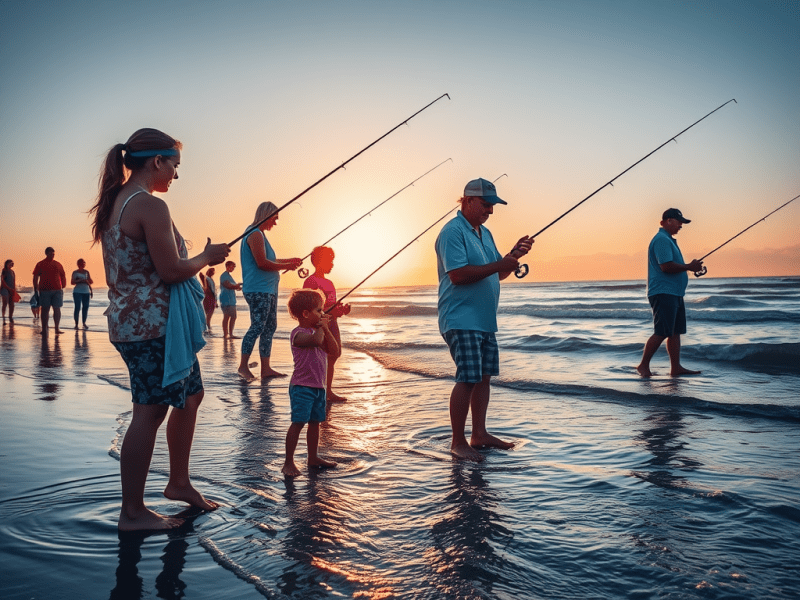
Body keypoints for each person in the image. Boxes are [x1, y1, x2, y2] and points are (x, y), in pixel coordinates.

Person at [89, 128, 230, 531]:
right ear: (157, 162)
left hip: (138, 322)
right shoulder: (149, 206)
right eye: (175, 166)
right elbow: (170, 271)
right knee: (149, 412)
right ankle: (132, 512)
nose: (175, 175)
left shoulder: (117, 199)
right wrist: (206, 256)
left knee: (190, 396)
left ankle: (179, 483)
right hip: (150, 326)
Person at [435, 178, 533, 462]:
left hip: (484, 319)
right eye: (485, 204)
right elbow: (458, 274)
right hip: (460, 316)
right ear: (466, 201)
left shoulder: (484, 232)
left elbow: (497, 273)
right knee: (467, 378)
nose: (489, 210)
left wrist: (513, 256)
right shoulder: (452, 232)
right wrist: (499, 264)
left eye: (492, 206)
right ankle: (457, 441)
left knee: (484, 377)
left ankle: (479, 433)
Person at [237, 201, 302, 381]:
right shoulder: (255, 234)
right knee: (258, 326)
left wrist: (289, 261)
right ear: (267, 215)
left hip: (268, 290)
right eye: (275, 218)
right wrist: (287, 265)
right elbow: (262, 263)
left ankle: (265, 368)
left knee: (269, 327)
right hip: (259, 290)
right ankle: (243, 366)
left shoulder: (259, 234)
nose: (275, 223)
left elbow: (268, 259)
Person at [636, 208, 704, 377]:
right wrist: (689, 266)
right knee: (663, 331)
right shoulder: (661, 240)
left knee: (675, 331)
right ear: (667, 221)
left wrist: (688, 267)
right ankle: (643, 366)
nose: (681, 225)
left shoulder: (669, 240)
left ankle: (676, 368)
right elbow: (665, 266)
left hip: (674, 292)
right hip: (663, 292)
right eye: (678, 221)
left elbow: (671, 266)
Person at [282, 289, 339, 477]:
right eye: (319, 310)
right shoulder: (298, 334)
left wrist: (326, 328)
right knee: (298, 422)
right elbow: (315, 341)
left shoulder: (320, 332)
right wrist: (322, 328)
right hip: (301, 387)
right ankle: (288, 462)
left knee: (315, 423)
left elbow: (334, 351)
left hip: (318, 387)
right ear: (305, 314)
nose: (323, 314)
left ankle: (312, 457)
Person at [303, 246, 351, 402]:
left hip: (333, 323)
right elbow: (312, 307)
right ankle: (319, 390)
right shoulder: (311, 281)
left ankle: (328, 391)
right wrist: (329, 313)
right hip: (320, 325)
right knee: (320, 357)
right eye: (329, 261)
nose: (332, 264)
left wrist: (341, 309)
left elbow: (332, 304)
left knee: (334, 354)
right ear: (318, 261)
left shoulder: (329, 282)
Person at [32, 247, 67, 335]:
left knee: (57, 308)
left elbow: (63, 275)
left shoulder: (58, 264)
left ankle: (57, 328)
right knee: (45, 309)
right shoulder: (40, 264)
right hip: (44, 290)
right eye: (50, 254)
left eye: (53, 254)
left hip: (57, 290)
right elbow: (35, 276)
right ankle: (44, 329)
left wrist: (64, 284)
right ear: (46, 253)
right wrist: (35, 288)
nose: (52, 255)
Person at [219, 261, 242, 339]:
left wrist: (240, 286)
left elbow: (234, 286)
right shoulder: (224, 275)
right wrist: (236, 286)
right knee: (227, 316)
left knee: (233, 316)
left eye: (234, 267)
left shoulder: (229, 276)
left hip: (231, 299)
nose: (233, 268)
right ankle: (226, 334)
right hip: (226, 299)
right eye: (232, 266)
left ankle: (230, 334)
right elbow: (228, 285)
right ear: (227, 266)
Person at [71, 258, 94, 329]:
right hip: (77, 292)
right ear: (78, 264)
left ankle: (84, 323)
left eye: (84, 263)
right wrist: (79, 280)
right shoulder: (75, 272)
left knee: (85, 307)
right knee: (77, 307)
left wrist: (87, 281)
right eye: (81, 263)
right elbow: (72, 282)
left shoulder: (87, 272)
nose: (83, 264)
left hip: (86, 291)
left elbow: (91, 281)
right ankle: (76, 324)